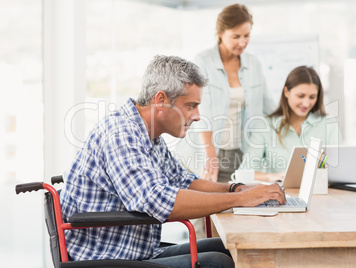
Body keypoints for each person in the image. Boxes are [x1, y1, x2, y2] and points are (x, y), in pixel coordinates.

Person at [60, 55, 286, 268]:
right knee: (219, 263)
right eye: (191, 106)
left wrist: (236, 188)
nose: (197, 116)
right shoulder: (122, 134)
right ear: (161, 100)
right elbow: (160, 201)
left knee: (228, 248)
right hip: (107, 258)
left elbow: (184, 181)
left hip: (136, 252)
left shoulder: (149, 134)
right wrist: (239, 199)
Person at [172, 4, 275, 183]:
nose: (242, 42)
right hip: (205, 154)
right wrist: (210, 157)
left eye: (246, 36)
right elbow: (202, 112)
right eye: (236, 36)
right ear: (220, 33)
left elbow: (269, 106)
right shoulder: (203, 61)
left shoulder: (253, 64)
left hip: (241, 154)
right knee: (209, 206)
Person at [240, 66, 341, 182]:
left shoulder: (329, 124)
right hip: (281, 195)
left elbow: (339, 168)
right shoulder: (266, 126)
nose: (306, 103)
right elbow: (244, 172)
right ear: (286, 92)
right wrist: (272, 176)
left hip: (322, 194)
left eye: (312, 97)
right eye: (301, 96)